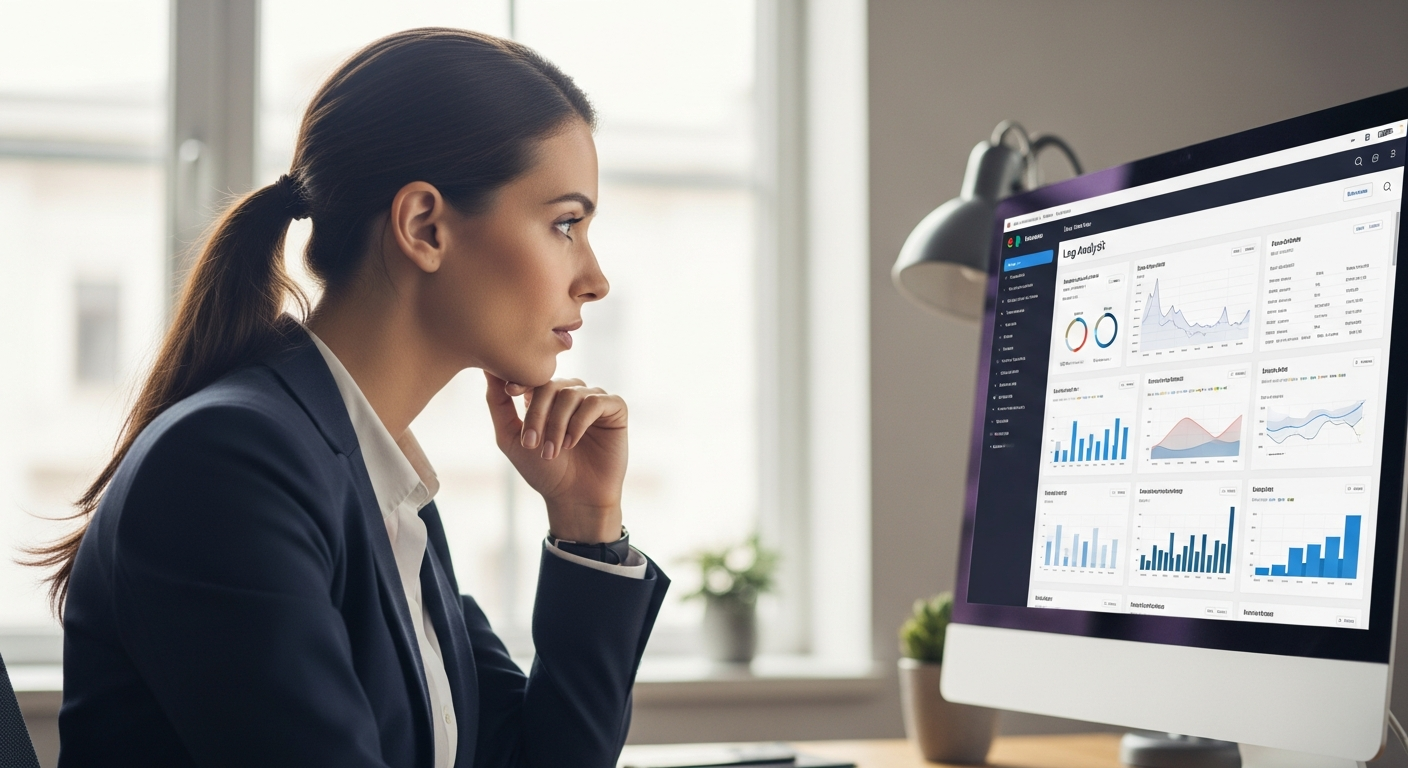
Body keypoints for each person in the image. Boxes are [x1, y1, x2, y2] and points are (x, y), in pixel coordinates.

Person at [30, 28, 668, 768]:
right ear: (425, 226)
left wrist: (588, 528)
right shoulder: (232, 465)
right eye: (565, 224)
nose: (595, 278)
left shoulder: (379, 477)